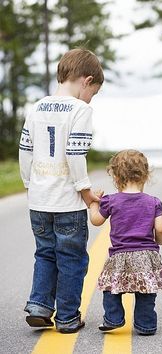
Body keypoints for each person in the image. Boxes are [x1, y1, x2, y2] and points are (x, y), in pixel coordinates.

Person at [19, 48, 104, 334]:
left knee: (45, 253)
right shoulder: (81, 110)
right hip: (67, 204)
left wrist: (31, 186)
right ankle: (67, 317)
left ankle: (39, 306)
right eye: (93, 91)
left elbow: (25, 152)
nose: (91, 97)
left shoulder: (37, 107)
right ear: (86, 80)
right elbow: (75, 154)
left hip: (39, 201)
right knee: (71, 259)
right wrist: (86, 192)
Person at [89, 149, 162, 335]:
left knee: (111, 288)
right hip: (146, 255)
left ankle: (113, 319)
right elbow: (160, 228)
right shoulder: (153, 202)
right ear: (145, 175)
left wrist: (94, 203)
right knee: (146, 291)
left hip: (120, 255)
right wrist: (160, 240)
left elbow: (96, 220)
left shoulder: (111, 201)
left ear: (116, 177)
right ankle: (146, 325)